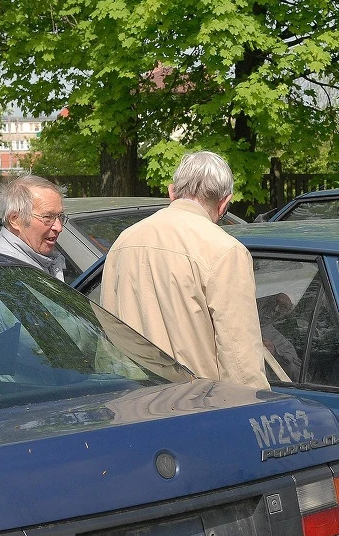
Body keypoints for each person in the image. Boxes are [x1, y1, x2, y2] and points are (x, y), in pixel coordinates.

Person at [100, 151, 270, 390]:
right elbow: (240, 360)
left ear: (172, 192)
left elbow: (108, 333)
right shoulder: (225, 250)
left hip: (130, 402)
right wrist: (255, 411)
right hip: (195, 407)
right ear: (224, 203)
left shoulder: (124, 241)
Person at [0, 176, 67, 280]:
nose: (59, 227)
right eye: (47, 217)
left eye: (60, 216)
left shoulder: (36, 259)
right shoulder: (2, 268)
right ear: (15, 220)